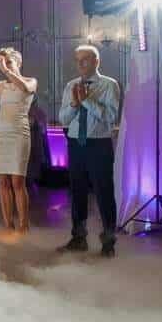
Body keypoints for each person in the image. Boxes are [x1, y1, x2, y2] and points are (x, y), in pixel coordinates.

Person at [55, 45, 121, 257]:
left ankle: (108, 242)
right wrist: (75, 104)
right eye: (78, 60)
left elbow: (110, 117)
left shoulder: (109, 85)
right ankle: (78, 237)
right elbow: (63, 119)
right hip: (76, 143)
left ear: (96, 61)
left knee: (104, 192)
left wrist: (87, 101)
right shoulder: (71, 85)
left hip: (99, 144)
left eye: (85, 59)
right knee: (77, 191)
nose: (81, 63)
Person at [0, 47, 37, 233]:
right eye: (3, 63)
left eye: (9, 62)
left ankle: (23, 226)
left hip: (19, 133)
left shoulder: (30, 81)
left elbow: (25, 89)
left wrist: (5, 70)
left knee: (18, 182)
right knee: (3, 182)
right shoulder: (1, 85)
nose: (5, 66)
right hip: (0, 133)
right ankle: (8, 226)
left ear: (19, 63)